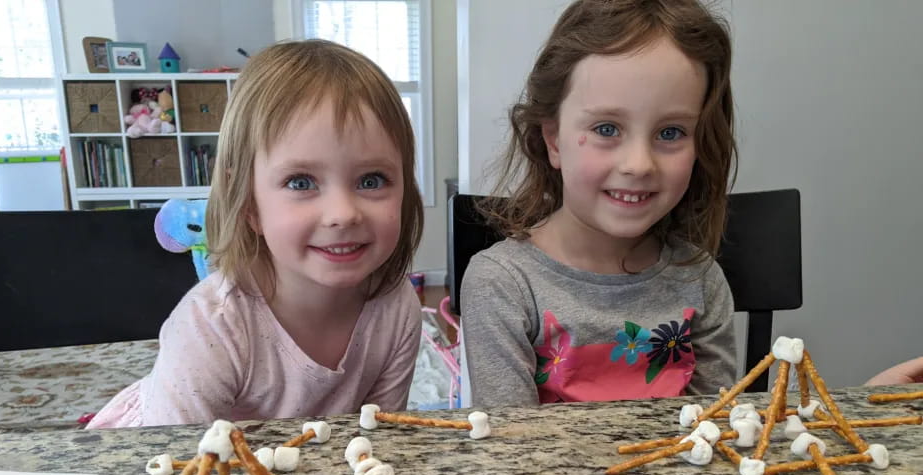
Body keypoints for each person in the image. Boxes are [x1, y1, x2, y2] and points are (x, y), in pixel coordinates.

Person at [88, 40, 423, 428]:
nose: (343, 214)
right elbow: (177, 472)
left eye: (371, 179)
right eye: (300, 182)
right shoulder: (211, 325)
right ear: (248, 201)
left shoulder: (397, 308)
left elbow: (379, 440)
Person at [461, 0, 737, 407]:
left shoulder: (701, 281)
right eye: (607, 128)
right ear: (553, 140)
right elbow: (511, 450)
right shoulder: (503, 286)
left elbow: (714, 429)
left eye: (671, 132)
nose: (639, 164)